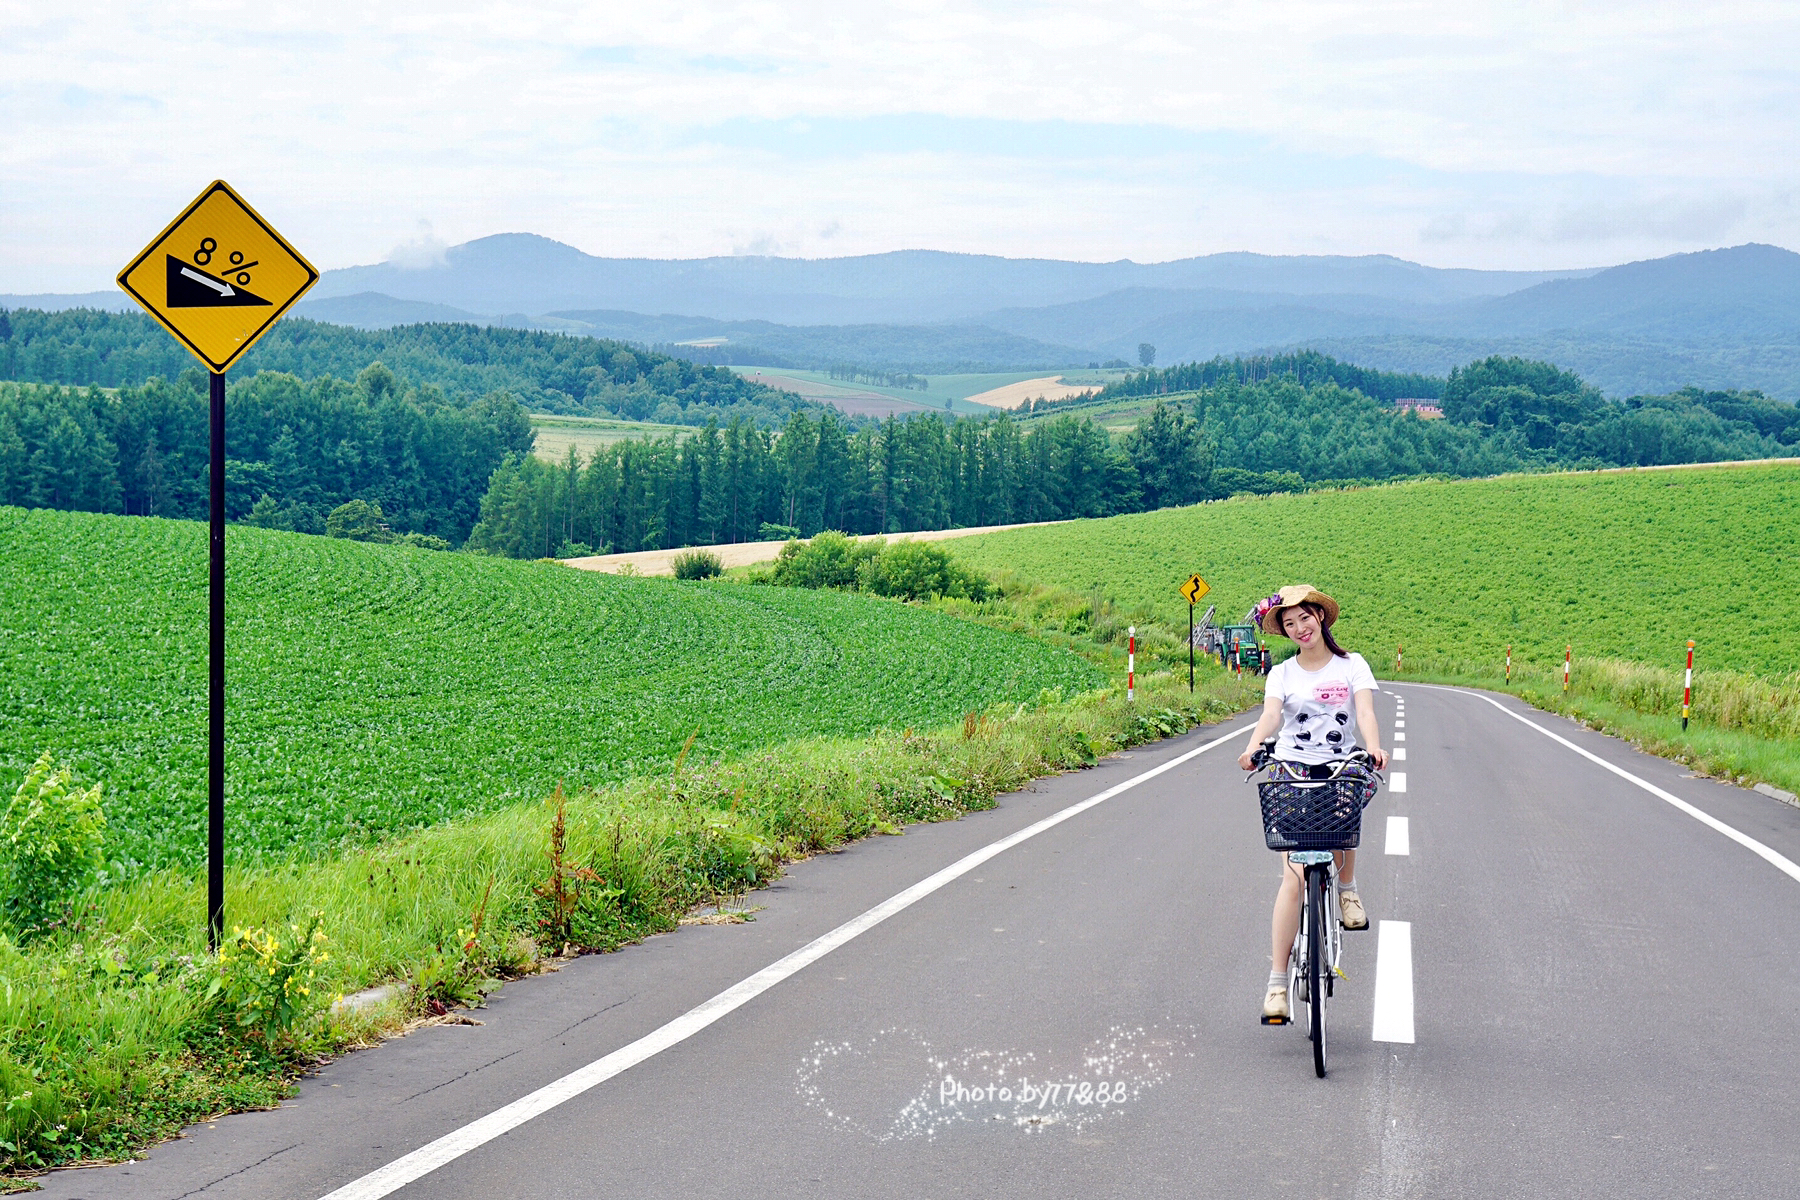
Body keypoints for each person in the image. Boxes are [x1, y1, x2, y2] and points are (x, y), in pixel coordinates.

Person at [1235, 584, 1388, 1023]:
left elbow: (1364, 713)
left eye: (1305, 617)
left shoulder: (1351, 665)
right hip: (1292, 768)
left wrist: (1374, 747)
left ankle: (1347, 890)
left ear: (1320, 616)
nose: (1299, 628)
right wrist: (1252, 748)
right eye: (1289, 623)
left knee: (1346, 812)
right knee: (1293, 879)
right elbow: (1270, 716)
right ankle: (1277, 985)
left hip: (1339, 763)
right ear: (1283, 630)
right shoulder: (1282, 674)